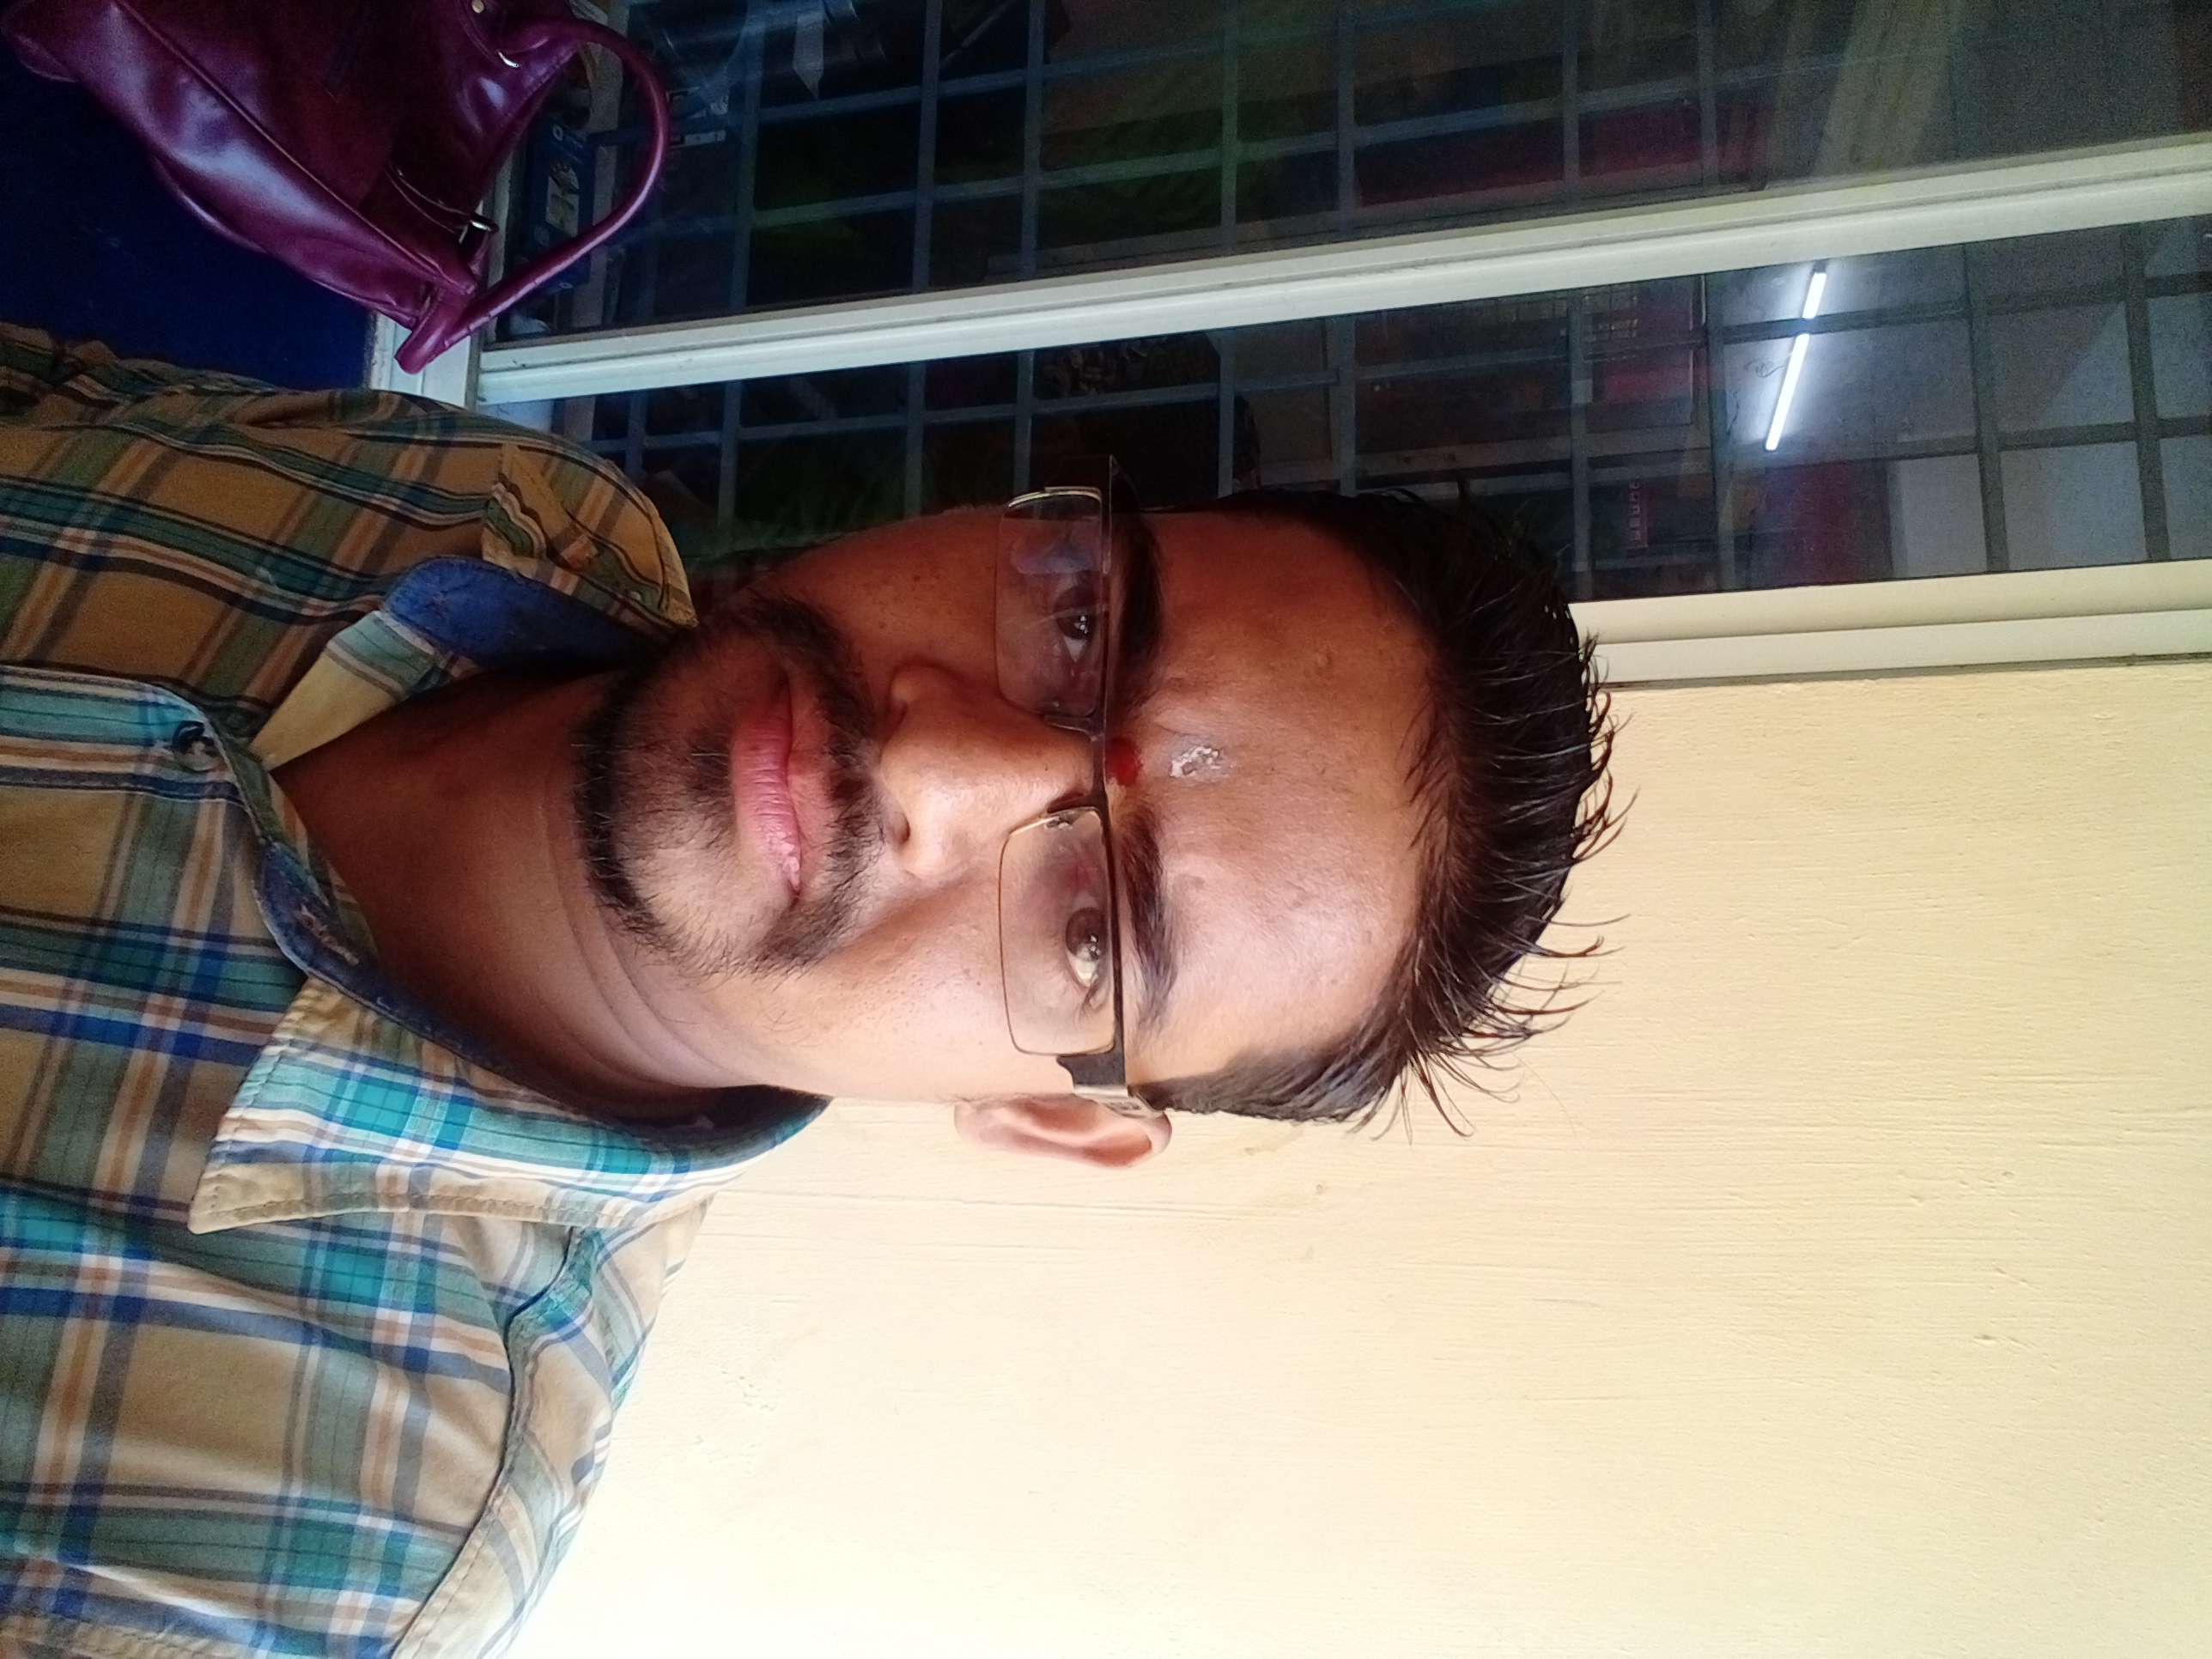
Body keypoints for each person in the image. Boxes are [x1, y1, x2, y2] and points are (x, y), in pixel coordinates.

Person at [0, 324, 1612, 1656]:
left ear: (1048, 1116)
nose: (935, 764)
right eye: (1080, 626)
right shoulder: (518, 500)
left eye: (1095, 930)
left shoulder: (297, 1545)